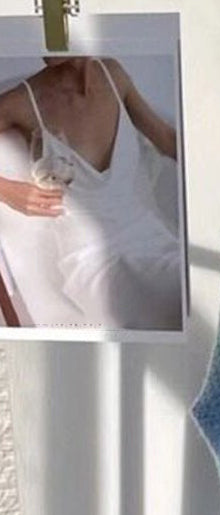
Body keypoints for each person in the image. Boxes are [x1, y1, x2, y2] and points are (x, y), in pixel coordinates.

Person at [0, 56, 182, 330]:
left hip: (153, 238)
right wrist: (8, 191)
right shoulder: (23, 101)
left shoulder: (112, 74)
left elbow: (167, 139)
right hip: (93, 260)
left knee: (197, 287)